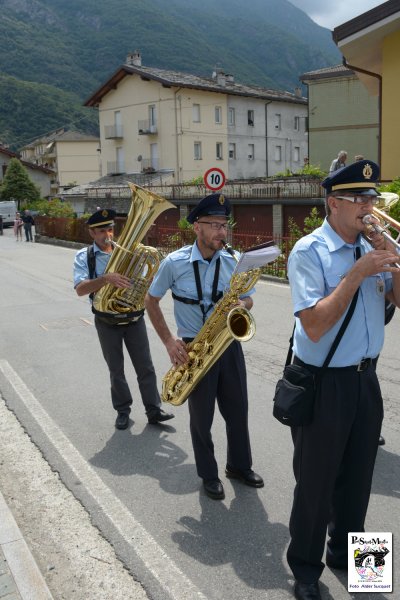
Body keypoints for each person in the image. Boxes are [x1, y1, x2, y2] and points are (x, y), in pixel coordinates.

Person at [285, 160, 400, 600]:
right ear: (334, 203)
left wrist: (391, 263)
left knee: (359, 478)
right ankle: (306, 571)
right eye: (362, 199)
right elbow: (313, 325)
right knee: (316, 483)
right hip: (322, 382)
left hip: (365, 382)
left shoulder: (373, 245)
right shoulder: (309, 251)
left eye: (373, 198)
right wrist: (358, 272)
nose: (371, 207)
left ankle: (358, 566)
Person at [145, 193, 264, 500]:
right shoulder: (174, 263)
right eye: (214, 225)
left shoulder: (234, 260)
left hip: (227, 346)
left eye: (225, 225)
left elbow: (249, 297)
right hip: (193, 348)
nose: (222, 232)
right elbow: (151, 300)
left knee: (238, 412)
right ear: (197, 227)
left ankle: (239, 465)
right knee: (202, 420)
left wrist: (243, 302)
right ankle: (208, 474)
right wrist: (170, 341)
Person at [73, 208, 174, 430]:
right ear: (91, 233)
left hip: (133, 318)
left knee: (145, 367)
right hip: (106, 321)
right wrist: (106, 279)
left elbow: (148, 279)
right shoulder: (84, 257)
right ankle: (123, 410)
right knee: (116, 370)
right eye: (101, 231)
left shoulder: (129, 252)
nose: (107, 235)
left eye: (110, 229)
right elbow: (80, 289)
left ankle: (153, 410)